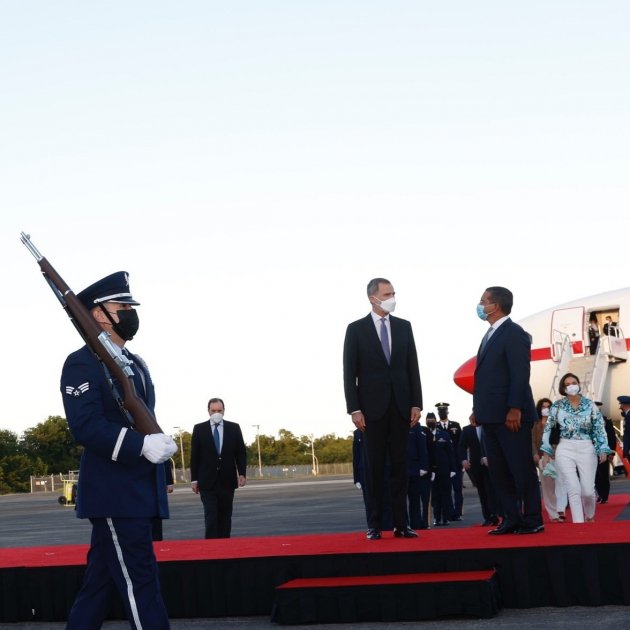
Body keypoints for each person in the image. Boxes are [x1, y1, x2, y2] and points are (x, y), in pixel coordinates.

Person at [60, 271, 177, 630]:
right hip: (116, 493)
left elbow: (143, 418)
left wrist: (161, 454)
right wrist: (141, 445)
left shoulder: (134, 363)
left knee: (100, 584)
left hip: (137, 490)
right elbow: (87, 426)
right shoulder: (81, 363)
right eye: (121, 305)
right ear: (98, 315)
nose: (129, 311)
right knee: (139, 583)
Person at [343, 277, 423, 540]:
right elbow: (349, 373)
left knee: (400, 468)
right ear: (372, 298)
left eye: (393, 293)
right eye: (387, 293)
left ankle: (402, 524)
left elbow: (412, 367)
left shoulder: (404, 327)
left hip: (400, 407)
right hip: (371, 411)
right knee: (374, 468)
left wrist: (416, 402)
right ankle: (374, 525)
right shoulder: (356, 329)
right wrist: (354, 409)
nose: (392, 297)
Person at [471, 286, 544, 535]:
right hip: (490, 417)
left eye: (483, 301)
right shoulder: (490, 334)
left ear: (496, 306)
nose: (480, 305)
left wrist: (514, 408)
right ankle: (511, 518)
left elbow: (519, 374)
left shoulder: (514, 333)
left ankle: (533, 519)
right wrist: (476, 410)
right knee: (499, 473)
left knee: (521, 469)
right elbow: (485, 379)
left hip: (510, 416)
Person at [540, 373, 613, 523]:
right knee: (573, 489)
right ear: (563, 388)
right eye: (567, 384)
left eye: (574, 382)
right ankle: (578, 525)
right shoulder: (557, 406)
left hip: (587, 448)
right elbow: (548, 429)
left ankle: (589, 515)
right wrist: (546, 451)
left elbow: (599, 427)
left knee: (587, 491)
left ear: (579, 384)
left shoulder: (590, 405)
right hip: (565, 447)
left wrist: (602, 448)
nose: (571, 386)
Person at [190, 397, 247, 538]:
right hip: (207, 482)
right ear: (208, 411)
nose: (216, 413)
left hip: (227, 480)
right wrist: (194, 479)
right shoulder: (199, 429)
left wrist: (242, 473)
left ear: (224, 411)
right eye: (213, 410)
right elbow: (194, 456)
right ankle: (211, 550)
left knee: (225, 517)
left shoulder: (234, 428)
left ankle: (225, 549)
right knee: (211, 517)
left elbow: (240, 452)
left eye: (219, 410)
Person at [459, 418, 499, 526]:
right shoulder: (467, 430)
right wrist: (464, 459)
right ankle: (487, 517)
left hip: (490, 464)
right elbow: (462, 446)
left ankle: (495, 514)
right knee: (482, 492)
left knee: (492, 490)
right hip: (476, 466)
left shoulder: (488, 427)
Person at [424, 412, 457, 526]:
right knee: (435, 496)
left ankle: (446, 517)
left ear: (435, 420)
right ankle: (437, 518)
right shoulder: (424, 434)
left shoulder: (444, 434)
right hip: (431, 471)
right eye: (428, 420)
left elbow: (450, 452)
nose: (430, 421)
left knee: (446, 494)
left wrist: (453, 468)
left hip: (444, 469)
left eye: (432, 419)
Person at [532, 398, 560, 522]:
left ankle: (560, 509)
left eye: (548, 406)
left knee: (559, 485)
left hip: (557, 455)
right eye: (543, 406)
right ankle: (553, 514)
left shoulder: (556, 422)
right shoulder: (535, 423)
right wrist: (534, 454)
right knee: (547, 486)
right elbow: (531, 439)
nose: (546, 409)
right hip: (542, 456)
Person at [436, 402, 463, 521]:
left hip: (456, 463)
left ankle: (457, 513)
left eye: (444, 411)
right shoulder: (435, 427)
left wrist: (462, 460)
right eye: (440, 411)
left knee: (457, 489)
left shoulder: (456, 425)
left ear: (447, 412)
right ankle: (449, 513)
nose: (442, 413)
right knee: (445, 490)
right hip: (443, 465)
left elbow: (461, 444)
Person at [405, 422, 430, 530]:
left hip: (413, 468)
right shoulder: (394, 423)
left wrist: (424, 466)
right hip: (399, 467)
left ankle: (415, 524)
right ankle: (403, 525)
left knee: (414, 498)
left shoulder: (415, 426)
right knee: (400, 500)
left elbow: (422, 446)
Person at [594, 402, 617, 504]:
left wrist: (611, 452)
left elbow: (611, 437)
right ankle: (599, 494)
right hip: (592, 452)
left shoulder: (606, 420)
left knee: (603, 474)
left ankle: (605, 496)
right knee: (595, 475)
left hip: (604, 451)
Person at [619, 395, 630, 460]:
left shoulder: (629, 416)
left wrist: (627, 450)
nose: (620, 407)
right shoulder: (627, 415)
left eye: (621, 405)